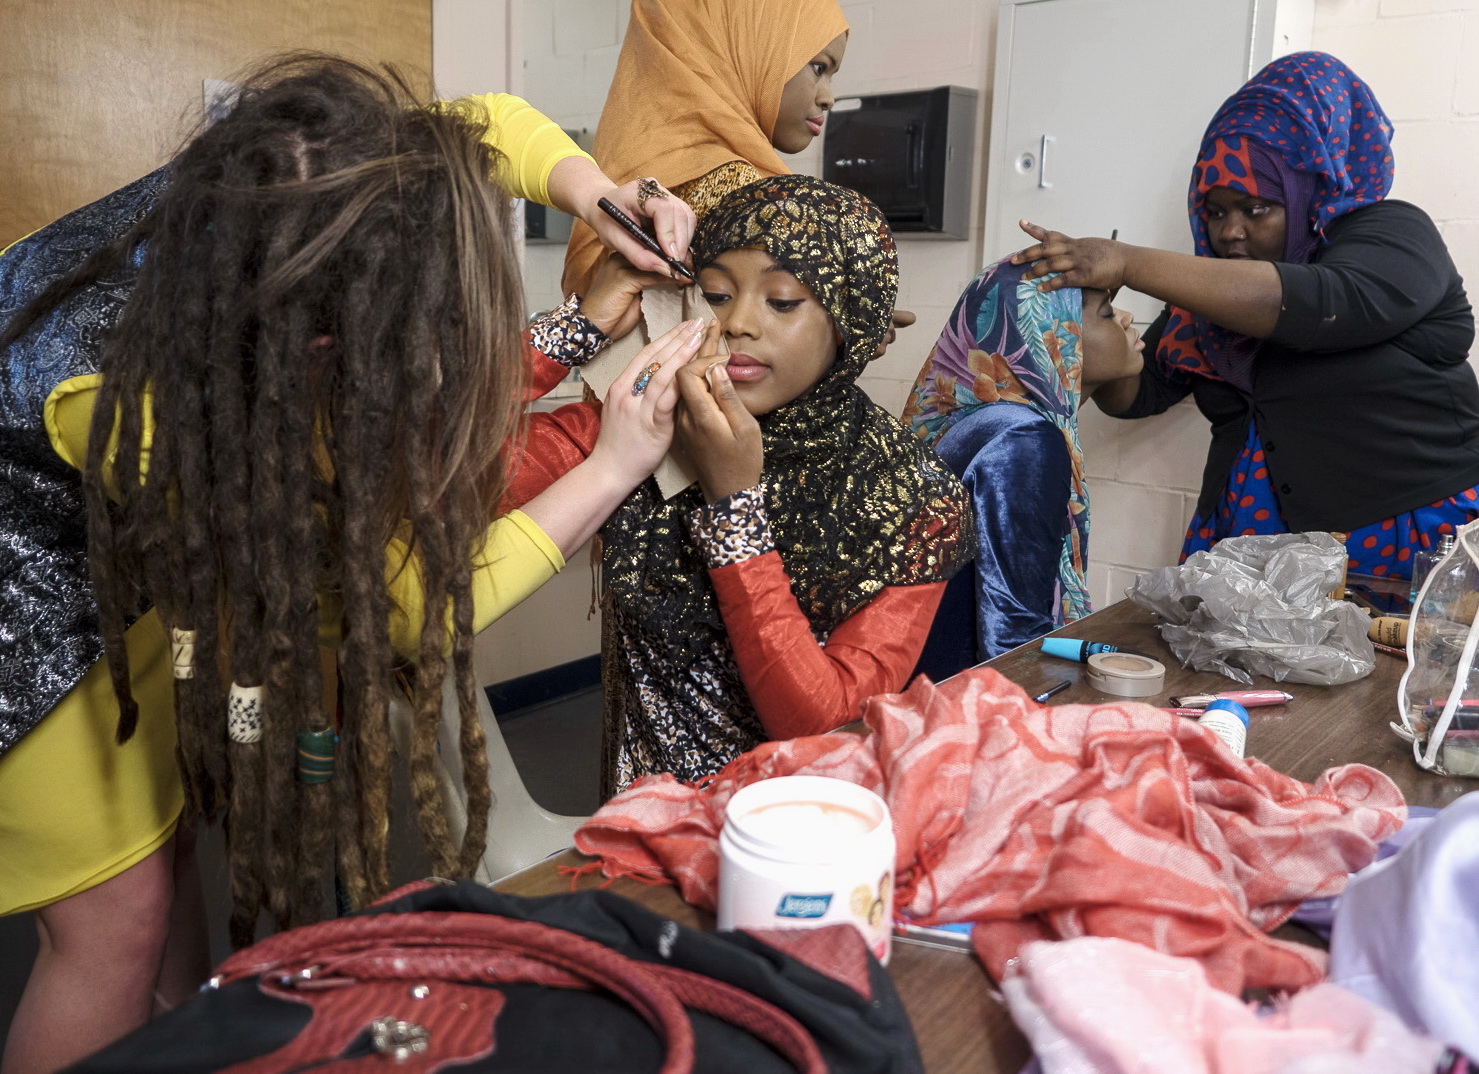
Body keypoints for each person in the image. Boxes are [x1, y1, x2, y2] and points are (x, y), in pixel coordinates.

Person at [0, 55, 702, 1074]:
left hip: (100, 539)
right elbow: (406, 604)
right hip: (25, 600)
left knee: (163, 843)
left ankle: (177, 1040)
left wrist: (601, 193)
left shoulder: (291, 193)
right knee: (113, 924)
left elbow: (485, 128)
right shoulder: (157, 417)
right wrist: (612, 467)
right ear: (325, 344)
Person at [510, 175, 972, 795]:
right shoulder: (635, 431)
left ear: (850, 321)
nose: (738, 324)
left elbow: (823, 721)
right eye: (716, 293)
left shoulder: (915, 493)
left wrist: (735, 511)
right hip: (643, 830)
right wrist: (578, 327)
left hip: (797, 837)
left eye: (782, 301)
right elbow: (428, 458)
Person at [1013, 51, 1479, 578]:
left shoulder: (1392, 235)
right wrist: (1094, 338)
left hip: (1404, 534)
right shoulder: (1218, 286)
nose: (1229, 232)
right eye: (1215, 211)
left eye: (1255, 209)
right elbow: (1142, 392)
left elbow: (1324, 303)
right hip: (1249, 543)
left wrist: (1126, 260)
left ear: (1310, 190)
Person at [900, 259, 1144, 676]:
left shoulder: (983, 418)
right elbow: (1011, 640)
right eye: (1105, 311)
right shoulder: (1022, 438)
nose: (1126, 317)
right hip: (955, 708)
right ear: (1050, 336)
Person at [559, 0, 850, 297]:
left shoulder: (623, 176)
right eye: (819, 68)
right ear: (748, 46)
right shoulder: (746, 195)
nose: (828, 98)